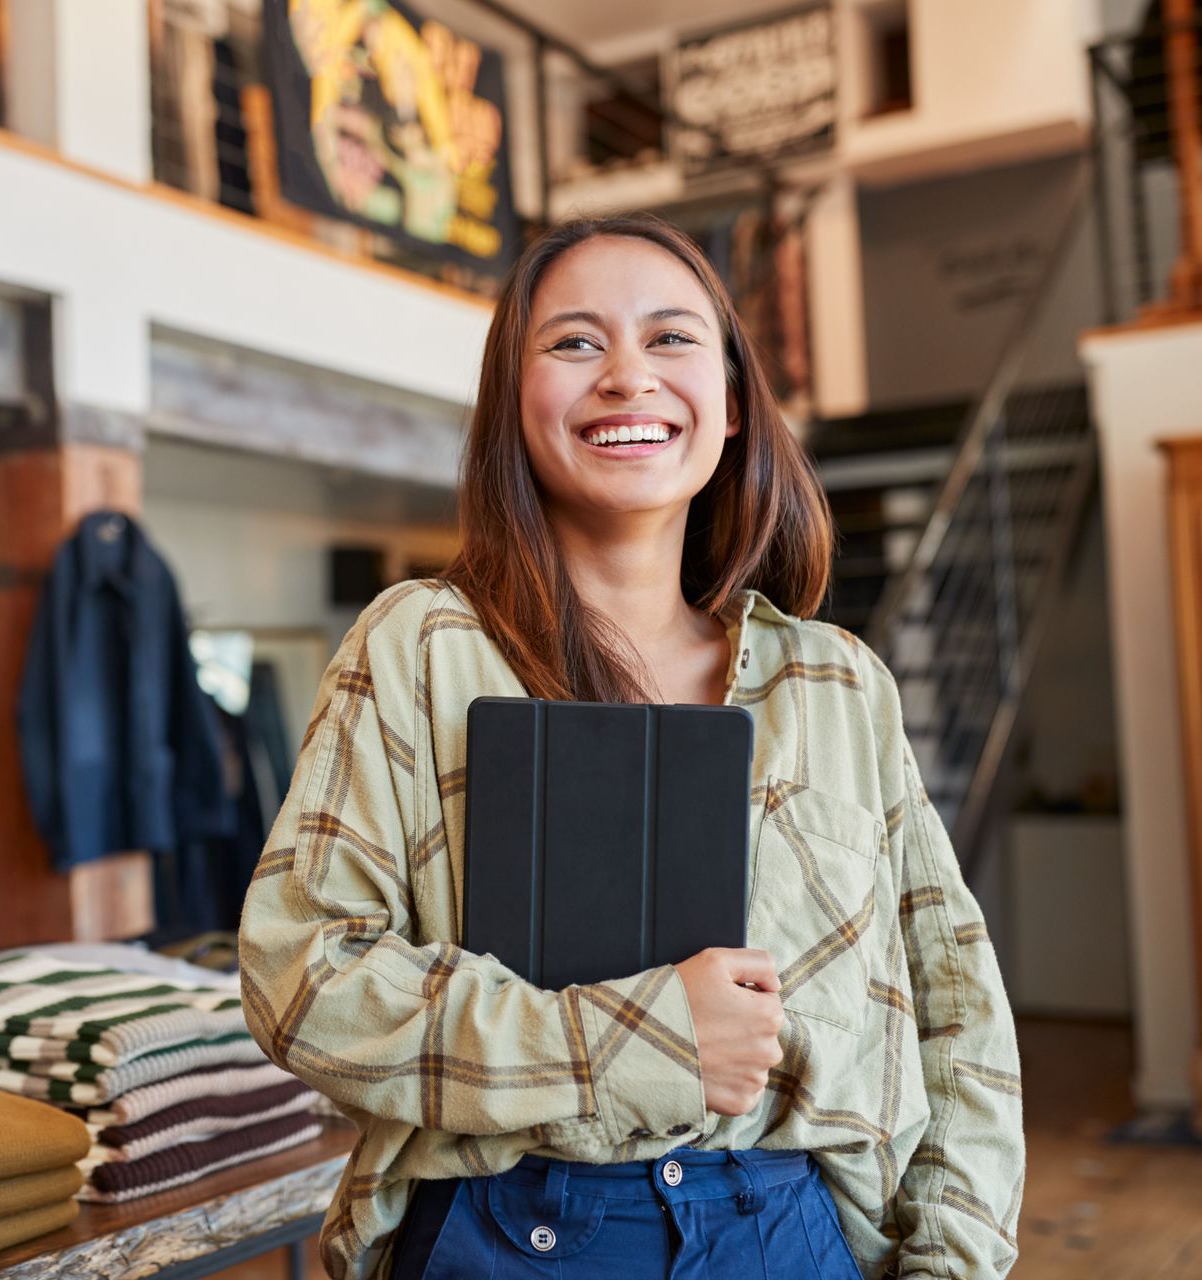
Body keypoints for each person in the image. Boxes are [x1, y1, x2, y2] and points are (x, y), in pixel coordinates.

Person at [238, 212, 1024, 1280]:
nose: (626, 375)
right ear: (513, 406)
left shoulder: (838, 682)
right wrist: (643, 1037)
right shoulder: (419, 648)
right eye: (573, 342)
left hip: (794, 1229)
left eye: (670, 337)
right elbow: (302, 972)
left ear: (734, 401)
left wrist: (954, 1256)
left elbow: (959, 1007)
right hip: (510, 1229)